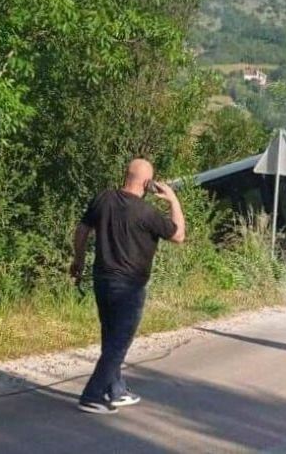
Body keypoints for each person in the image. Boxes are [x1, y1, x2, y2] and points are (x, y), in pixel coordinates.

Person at [70, 158, 186, 415]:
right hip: (130, 285)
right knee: (119, 342)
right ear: (148, 183)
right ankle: (92, 395)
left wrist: (77, 260)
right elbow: (178, 235)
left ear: (126, 175)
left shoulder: (103, 199)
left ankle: (116, 389)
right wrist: (173, 200)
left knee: (110, 337)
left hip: (102, 279)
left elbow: (81, 230)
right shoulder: (147, 213)